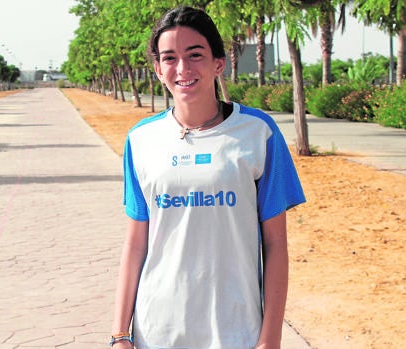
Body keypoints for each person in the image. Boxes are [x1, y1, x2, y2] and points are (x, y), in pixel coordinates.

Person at [110, 6, 306, 349]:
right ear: (158, 69)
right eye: (169, 58)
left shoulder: (258, 133)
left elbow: (275, 244)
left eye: (195, 54)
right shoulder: (140, 140)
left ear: (218, 62)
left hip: (236, 331)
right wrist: (120, 334)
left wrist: (270, 337)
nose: (183, 68)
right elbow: (136, 243)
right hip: (156, 331)